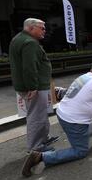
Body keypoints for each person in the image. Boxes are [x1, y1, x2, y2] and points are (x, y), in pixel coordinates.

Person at [21, 62, 92, 177]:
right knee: (80, 151)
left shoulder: (84, 77)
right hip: (74, 121)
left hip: (63, 113)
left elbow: (88, 94)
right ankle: (40, 157)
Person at [9, 18, 58, 153]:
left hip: (30, 85)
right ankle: (36, 147)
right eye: (41, 28)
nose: (44, 30)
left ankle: (44, 138)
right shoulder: (29, 42)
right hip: (34, 87)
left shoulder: (19, 39)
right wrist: (32, 87)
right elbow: (30, 67)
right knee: (37, 116)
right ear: (31, 28)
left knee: (39, 114)